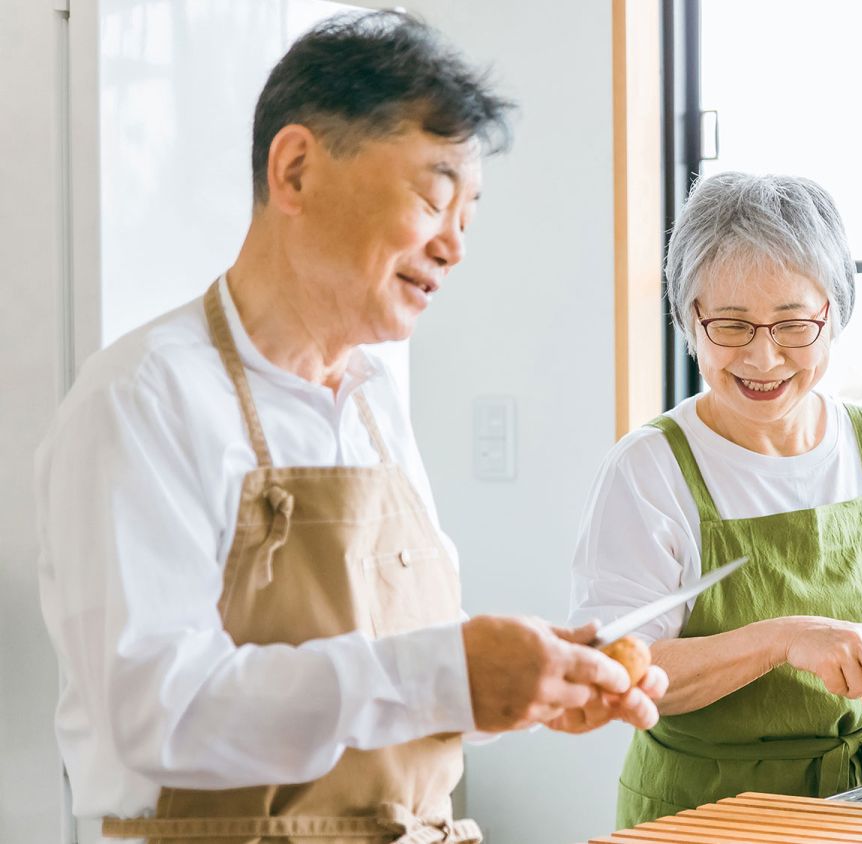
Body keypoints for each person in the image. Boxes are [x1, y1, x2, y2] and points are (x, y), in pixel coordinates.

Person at [34, 12, 664, 843]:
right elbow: (157, 714)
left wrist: (519, 689)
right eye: (435, 197)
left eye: (469, 213)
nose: (455, 246)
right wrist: (451, 673)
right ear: (295, 170)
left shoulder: (373, 403)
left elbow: (395, 683)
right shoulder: (145, 397)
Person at [570, 172, 862, 825]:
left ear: (835, 314)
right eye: (731, 325)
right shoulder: (648, 469)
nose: (764, 357)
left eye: (793, 324)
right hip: (702, 812)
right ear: (688, 319)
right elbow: (625, 666)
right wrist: (782, 638)